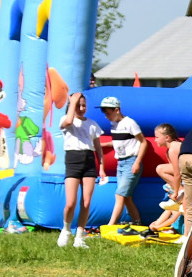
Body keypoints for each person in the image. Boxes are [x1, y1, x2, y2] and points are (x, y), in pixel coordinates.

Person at [59, 92, 105, 247]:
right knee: (70, 202)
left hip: (89, 160)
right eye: (78, 105)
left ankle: (79, 236)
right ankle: (66, 230)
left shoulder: (92, 124)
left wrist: (102, 167)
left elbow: (98, 147)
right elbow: (69, 120)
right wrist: (73, 101)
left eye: (83, 105)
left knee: (86, 202)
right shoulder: (66, 120)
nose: (81, 108)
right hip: (73, 160)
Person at [98, 96, 147, 226]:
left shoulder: (130, 123)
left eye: (108, 113)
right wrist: (103, 145)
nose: (106, 116)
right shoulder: (114, 124)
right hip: (121, 163)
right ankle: (137, 222)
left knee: (120, 195)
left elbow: (143, 142)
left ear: (117, 110)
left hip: (131, 162)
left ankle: (110, 225)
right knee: (127, 197)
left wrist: (137, 162)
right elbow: (119, 142)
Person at [154, 123, 183, 208]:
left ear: (167, 137)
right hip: (188, 173)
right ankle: (180, 193)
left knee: (160, 169)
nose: (155, 140)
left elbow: (177, 173)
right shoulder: (170, 150)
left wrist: (177, 191)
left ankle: (181, 192)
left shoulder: (173, 149)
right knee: (167, 184)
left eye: (157, 137)